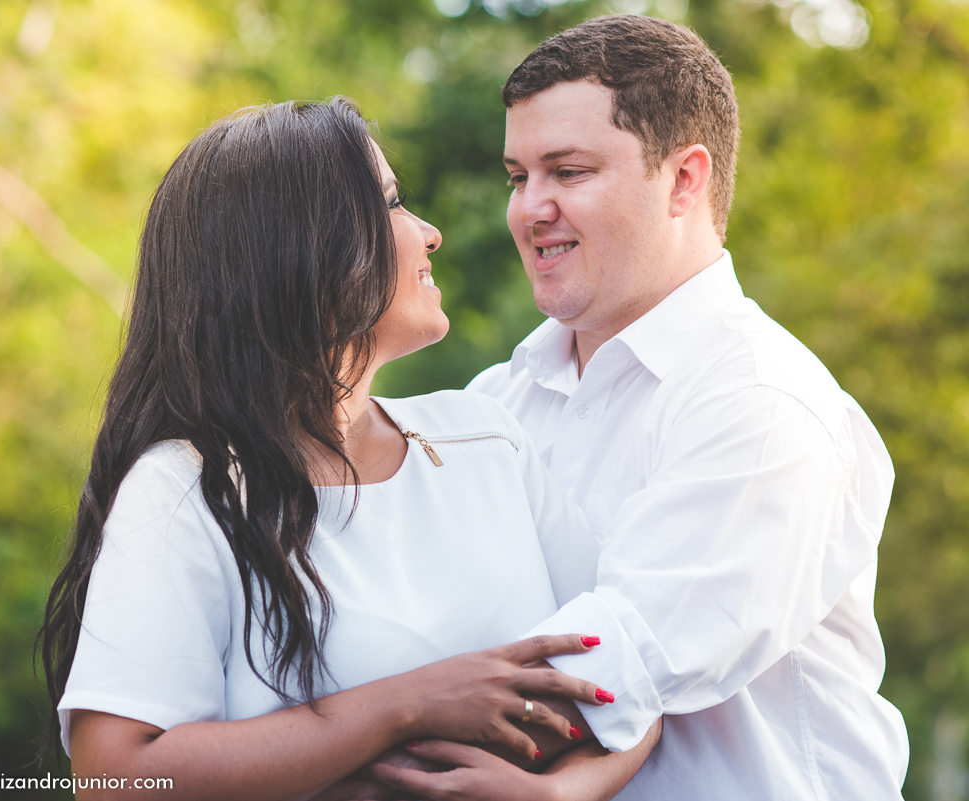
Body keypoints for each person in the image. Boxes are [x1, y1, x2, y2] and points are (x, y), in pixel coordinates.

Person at [37, 97, 660, 801]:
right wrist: (409, 703)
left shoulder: (487, 438)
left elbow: (635, 683)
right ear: (300, 248)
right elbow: (114, 774)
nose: (429, 234)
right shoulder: (185, 490)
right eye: (391, 204)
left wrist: (559, 794)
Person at [376, 14, 910, 801]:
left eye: (568, 172)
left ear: (685, 180)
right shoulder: (495, 403)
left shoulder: (762, 402)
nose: (529, 209)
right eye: (519, 177)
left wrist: (317, 748)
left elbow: (603, 672)